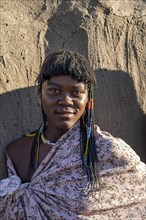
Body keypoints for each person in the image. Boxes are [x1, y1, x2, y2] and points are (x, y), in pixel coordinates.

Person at [0, 49, 145, 219]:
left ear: (88, 100)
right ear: (40, 96)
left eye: (76, 92)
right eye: (54, 91)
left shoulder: (107, 151)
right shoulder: (16, 151)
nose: (66, 100)